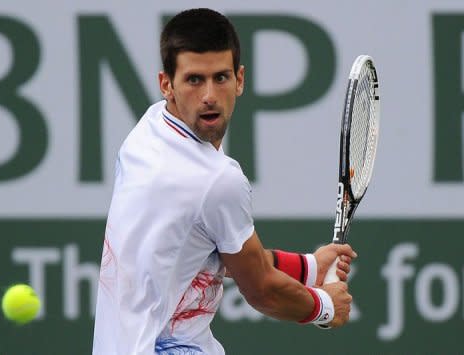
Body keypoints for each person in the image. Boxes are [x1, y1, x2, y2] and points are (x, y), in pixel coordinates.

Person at [92, 8, 357, 355]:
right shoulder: (218, 180)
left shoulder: (146, 132)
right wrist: (324, 306)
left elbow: (216, 255)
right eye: (194, 80)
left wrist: (310, 266)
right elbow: (260, 289)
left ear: (240, 79)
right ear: (166, 84)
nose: (209, 96)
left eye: (220, 77)